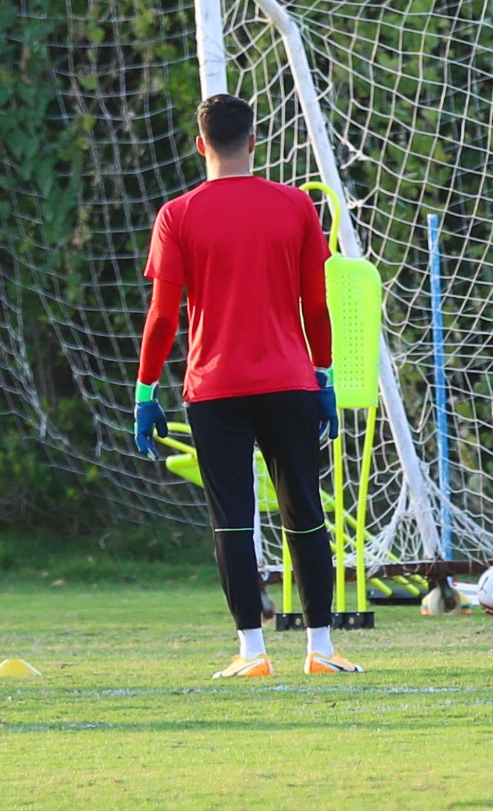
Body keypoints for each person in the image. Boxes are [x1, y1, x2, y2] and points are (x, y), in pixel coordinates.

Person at [132, 94, 362, 676]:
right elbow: (317, 305)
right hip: (290, 384)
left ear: (200, 144)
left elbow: (162, 316)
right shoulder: (295, 205)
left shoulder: (176, 215)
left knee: (233, 519)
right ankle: (321, 649)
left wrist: (145, 391)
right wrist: (325, 377)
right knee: (305, 514)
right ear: (254, 142)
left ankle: (252, 652)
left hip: (215, 391)